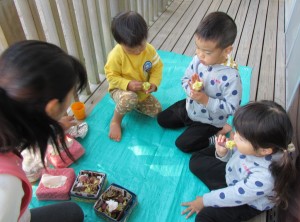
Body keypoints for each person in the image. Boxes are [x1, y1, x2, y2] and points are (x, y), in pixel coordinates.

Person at [0, 40, 87, 222]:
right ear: (53, 108)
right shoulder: (6, 185)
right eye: (70, 94)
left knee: (73, 212)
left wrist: (50, 123)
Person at [181, 100, 297, 222]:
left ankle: (217, 191)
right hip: (234, 175)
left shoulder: (264, 178)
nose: (234, 136)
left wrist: (204, 200)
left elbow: (235, 195)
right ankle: (218, 189)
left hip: (247, 202)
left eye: (241, 138)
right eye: (236, 132)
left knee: (204, 217)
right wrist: (223, 153)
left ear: (264, 150)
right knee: (196, 161)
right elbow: (236, 158)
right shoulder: (258, 144)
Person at [157, 11, 242, 153]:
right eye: (197, 48)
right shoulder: (198, 59)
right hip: (190, 107)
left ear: (226, 50)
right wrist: (191, 89)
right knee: (162, 119)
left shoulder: (232, 77)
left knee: (183, 144)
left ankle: (218, 133)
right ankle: (190, 119)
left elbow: (232, 108)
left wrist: (205, 100)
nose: (200, 54)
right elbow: (185, 79)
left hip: (210, 120)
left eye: (207, 52)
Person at [104, 11, 163, 142]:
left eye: (141, 45)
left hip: (141, 92)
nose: (137, 51)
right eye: (131, 49)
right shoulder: (116, 55)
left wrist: (153, 83)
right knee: (130, 97)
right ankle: (115, 121)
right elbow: (111, 76)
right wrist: (127, 84)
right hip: (119, 89)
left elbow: (157, 68)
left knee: (158, 111)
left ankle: (133, 103)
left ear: (145, 36)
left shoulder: (149, 50)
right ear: (120, 43)